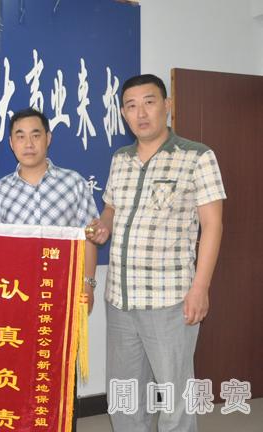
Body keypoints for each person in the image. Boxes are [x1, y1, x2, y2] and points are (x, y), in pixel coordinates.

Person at [87, 74, 225, 432]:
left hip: (169, 300)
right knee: (125, 397)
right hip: (120, 298)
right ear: (123, 113)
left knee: (175, 401)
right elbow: (111, 208)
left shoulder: (197, 156)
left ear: (167, 105)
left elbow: (212, 225)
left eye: (149, 102)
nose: (141, 113)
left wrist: (200, 288)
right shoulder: (120, 158)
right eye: (131, 106)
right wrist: (104, 225)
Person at [0, 107, 99, 431]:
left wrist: (88, 285)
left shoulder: (73, 183)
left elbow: (89, 237)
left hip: (63, 298)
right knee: (17, 375)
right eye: (20, 136)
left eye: (36, 135)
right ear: (11, 143)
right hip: (16, 300)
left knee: (61, 376)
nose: (29, 143)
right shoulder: (1, 190)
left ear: (48, 138)